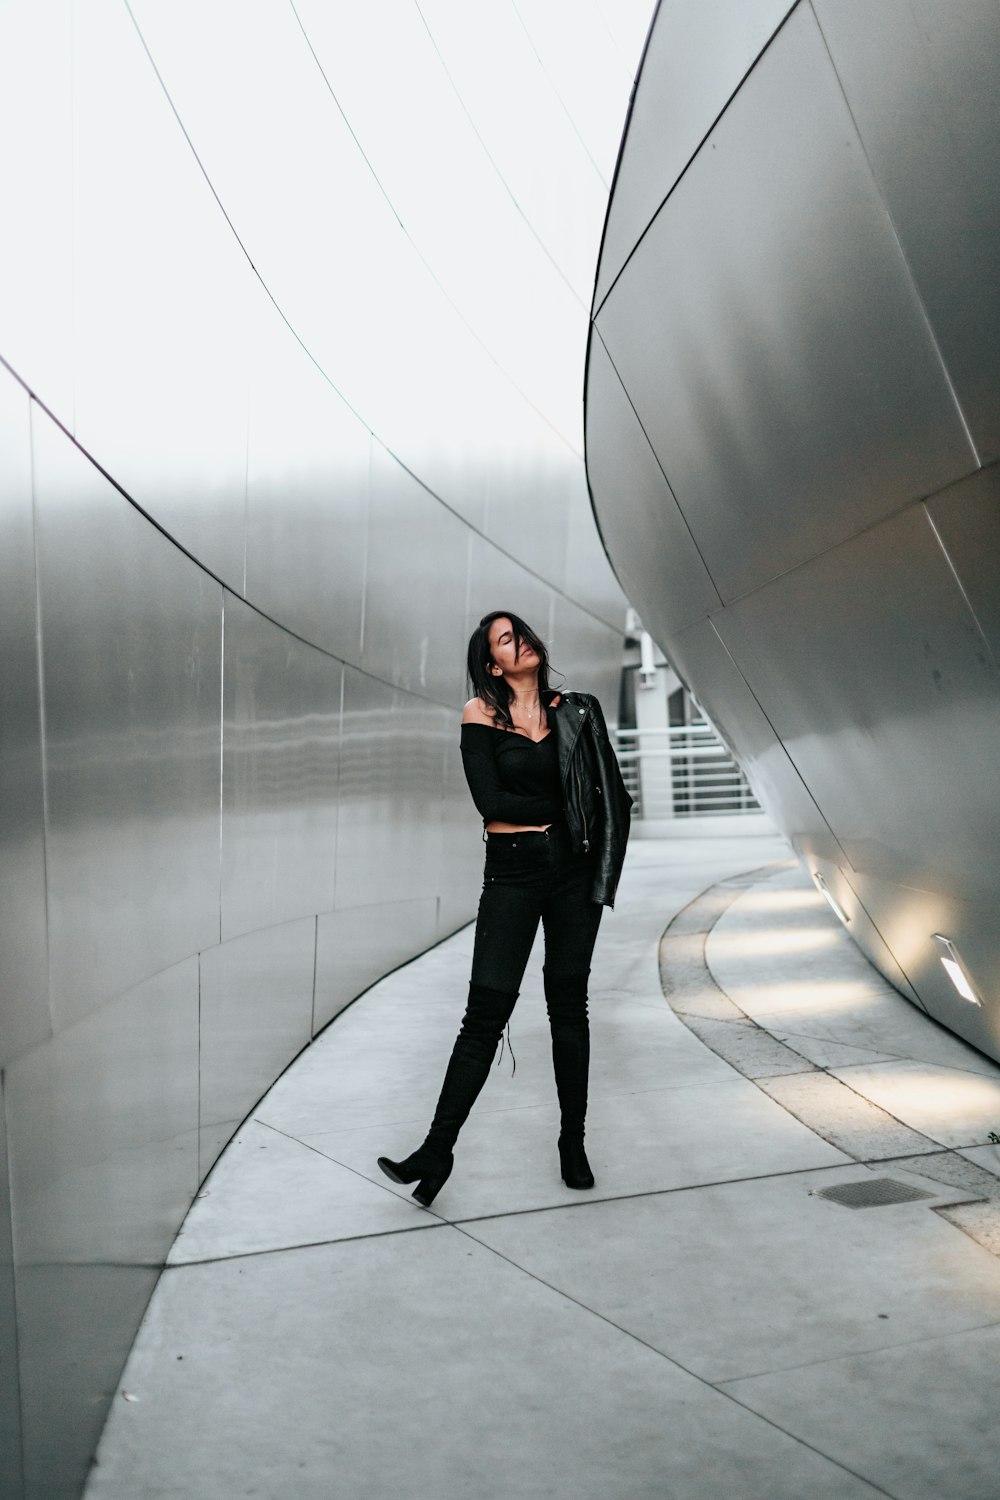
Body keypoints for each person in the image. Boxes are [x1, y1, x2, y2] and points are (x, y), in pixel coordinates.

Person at [377, 610, 632, 1207]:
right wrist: (566, 804)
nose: (522, 643)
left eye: (522, 632)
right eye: (506, 639)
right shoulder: (479, 715)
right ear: (493, 662)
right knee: (484, 1015)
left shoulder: (577, 710)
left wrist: (568, 816)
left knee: (569, 1009)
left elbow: (610, 795)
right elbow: (488, 800)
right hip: (513, 873)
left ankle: (573, 1144)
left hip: (572, 874)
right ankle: (436, 1151)